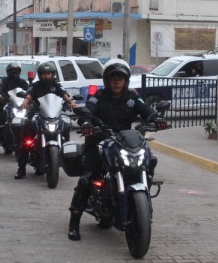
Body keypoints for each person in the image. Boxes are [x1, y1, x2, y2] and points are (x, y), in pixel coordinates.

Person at [67, 59, 168, 241]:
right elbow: (88, 110)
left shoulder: (131, 96)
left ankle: (140, 206)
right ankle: (74, 222)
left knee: (148, 161)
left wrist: (156, 118)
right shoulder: (99, 96)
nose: (117, 82)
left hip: (125, 141)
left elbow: (145, 109)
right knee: (88, 177)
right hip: (99, 141)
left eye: (120, 78)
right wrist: (87, 123)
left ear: (126, 80)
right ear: (107, 80)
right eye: (113, 78)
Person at [15, 62, 76, 179]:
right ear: (40, 75)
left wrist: (71, 102)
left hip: (54, 115)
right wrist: (26, 101)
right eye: (44, 74)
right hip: (38, 113)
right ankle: (21, 169)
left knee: (67, 125)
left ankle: (66, 151)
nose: (46, 76)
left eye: (48, 74)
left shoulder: (56, 85)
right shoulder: (36, 85)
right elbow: (29, 94)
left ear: (52, 74)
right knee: (26, 139)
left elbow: (64, 95)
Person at [0, 61, 29, 157]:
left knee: (29, 124)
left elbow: (29, 92)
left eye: (16, 70)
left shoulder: (23, 82)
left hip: (19, 106)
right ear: (8, 71)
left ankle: (29, 148)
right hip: (6, 105)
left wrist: (30, 98)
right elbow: (0, 88)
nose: (14, 72)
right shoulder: (4, 81)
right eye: (12, 70)